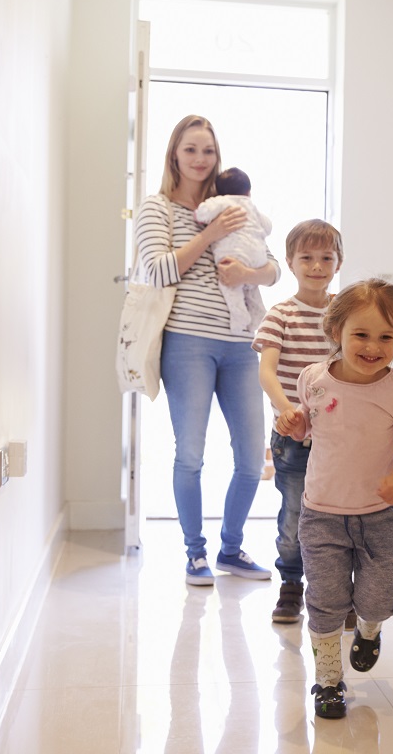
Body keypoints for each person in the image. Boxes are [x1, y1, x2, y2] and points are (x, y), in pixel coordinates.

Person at [275, 279, 393, 720]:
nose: (373, 346)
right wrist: (295, 424)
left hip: (378, 518)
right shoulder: (314, 379)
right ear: (336, 331)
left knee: (376, 599)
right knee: (325, 602)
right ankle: (328, 682)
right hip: (321, 515)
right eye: (361, 334)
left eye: (387, 336)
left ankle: (369, 628)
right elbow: (312, 430)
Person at [135, 115, 281, 586]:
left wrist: (249, 275)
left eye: (209, 151)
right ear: (174, 154)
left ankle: (232, 550)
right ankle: (194, 554)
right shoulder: (157, 209)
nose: (200, 159)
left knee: (250, 458)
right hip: (188, 344)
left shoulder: (235, 204)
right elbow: (157, 271)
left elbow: (271, 262)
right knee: (191, 455)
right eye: (191, 149)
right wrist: (209, 235)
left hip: (241, 344)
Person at [252, 219, 348, 626]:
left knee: (344, 517)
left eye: (326, 257)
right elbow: (267, 371)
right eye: (306, 257)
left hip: (341, 438)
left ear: (338, 262)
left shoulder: (345, 312)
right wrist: (287, 407)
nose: (316, 266)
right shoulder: (281, 315)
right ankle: (291, 584)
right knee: (295, 515)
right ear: (290, 262)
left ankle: (341, 594)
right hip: (293, 440)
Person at [195, 167, 273, 334]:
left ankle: (239, 316)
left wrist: (199, 216)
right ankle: (258, 312)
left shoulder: (222, 201)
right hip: (257, 256)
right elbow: (267, 226)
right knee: (251, 287)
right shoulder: (251, 205)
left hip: (233, 254)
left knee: (230, 285)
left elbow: (204, 212)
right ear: (249, 191)